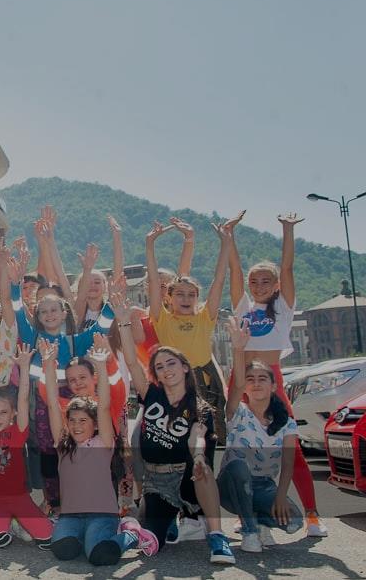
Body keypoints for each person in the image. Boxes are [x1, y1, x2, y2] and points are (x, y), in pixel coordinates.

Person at [227, 211, 326, 536]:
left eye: (265, 281)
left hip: (271, 381)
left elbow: (287, 268)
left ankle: (312, 515)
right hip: (241, 381)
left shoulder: (283, 308)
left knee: (289, 449)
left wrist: (287, 230)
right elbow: (234, 271)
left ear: (277, 285)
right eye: (254, 282)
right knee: (242, 450)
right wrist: (229, 236)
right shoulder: (243, 307)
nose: (258, 286)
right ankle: (249, 514)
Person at [42, 342, 158, 565]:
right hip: (71, 516)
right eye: (72, 421)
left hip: (102, 514)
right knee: (64, 550)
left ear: (95, 424)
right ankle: (84, 535)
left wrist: (101, 367)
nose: (76, 426)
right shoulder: (63, 446)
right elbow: (52, 406)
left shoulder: (103, 443)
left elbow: (103, 406)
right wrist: (48, 365)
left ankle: (131, 533)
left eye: (83, 421)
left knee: (100, 555)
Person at [126, 341, 235, 565]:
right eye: (159, 367)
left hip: (186, 476)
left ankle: (217, 536)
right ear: (156, 374)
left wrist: (198, 456)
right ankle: (169, 521)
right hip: (157, 482)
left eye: (171, 363)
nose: (166, 369)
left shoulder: (198, 407)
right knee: (151, 541)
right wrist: (123, 323)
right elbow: (131, 362)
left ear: (185, 367)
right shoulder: (151, 394)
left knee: (202, 469)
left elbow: (197, 436)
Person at [220, 318, 304, 552]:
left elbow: (288, 464)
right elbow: (236, 386)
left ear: (273, 386)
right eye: (251, 379)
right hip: (232, 484)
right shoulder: (238, 413)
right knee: (239, 467)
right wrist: (238, 349)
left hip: (263, 485)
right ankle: (249, 531)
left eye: (262, 379)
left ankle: (259, 520)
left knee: (294, 521)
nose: (256, 384)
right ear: (246, 387)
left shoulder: (286, 423)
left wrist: (280, 497)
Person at [146, 219, 232, 437]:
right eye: (180, 294)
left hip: (206, 380)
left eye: (191, 295)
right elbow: (154, 282)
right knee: (181, 433)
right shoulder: (162, 319)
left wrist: (226, 242)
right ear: (169, 297)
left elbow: (219, 280)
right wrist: (150, 244)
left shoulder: (205, 317)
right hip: (178, 382)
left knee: (214, 433)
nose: (186, 299)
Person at [0, 342, 52, 549]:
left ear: (13, 413)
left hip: (18, 497)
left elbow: (23, 399)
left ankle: (27, 522)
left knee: (47, 538)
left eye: (3, 412)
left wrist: (24, 368)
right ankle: (6, 524)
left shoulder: (18, 433)